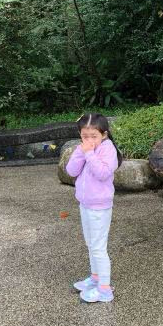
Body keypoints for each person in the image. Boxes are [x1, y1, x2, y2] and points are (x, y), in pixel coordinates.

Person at [65, 113, 123, 303]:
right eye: (84, 136)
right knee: (91, 244)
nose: (89, 140)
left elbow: (103, 173)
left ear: (104, 134)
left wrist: (89, 153)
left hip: (100, 206)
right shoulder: (83, 148)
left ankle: (105, 289)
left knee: (98, 247)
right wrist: (82, 152)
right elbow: (71, 171)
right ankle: (95, 278)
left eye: (93, 136)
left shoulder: (108, 150)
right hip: (85, 203)